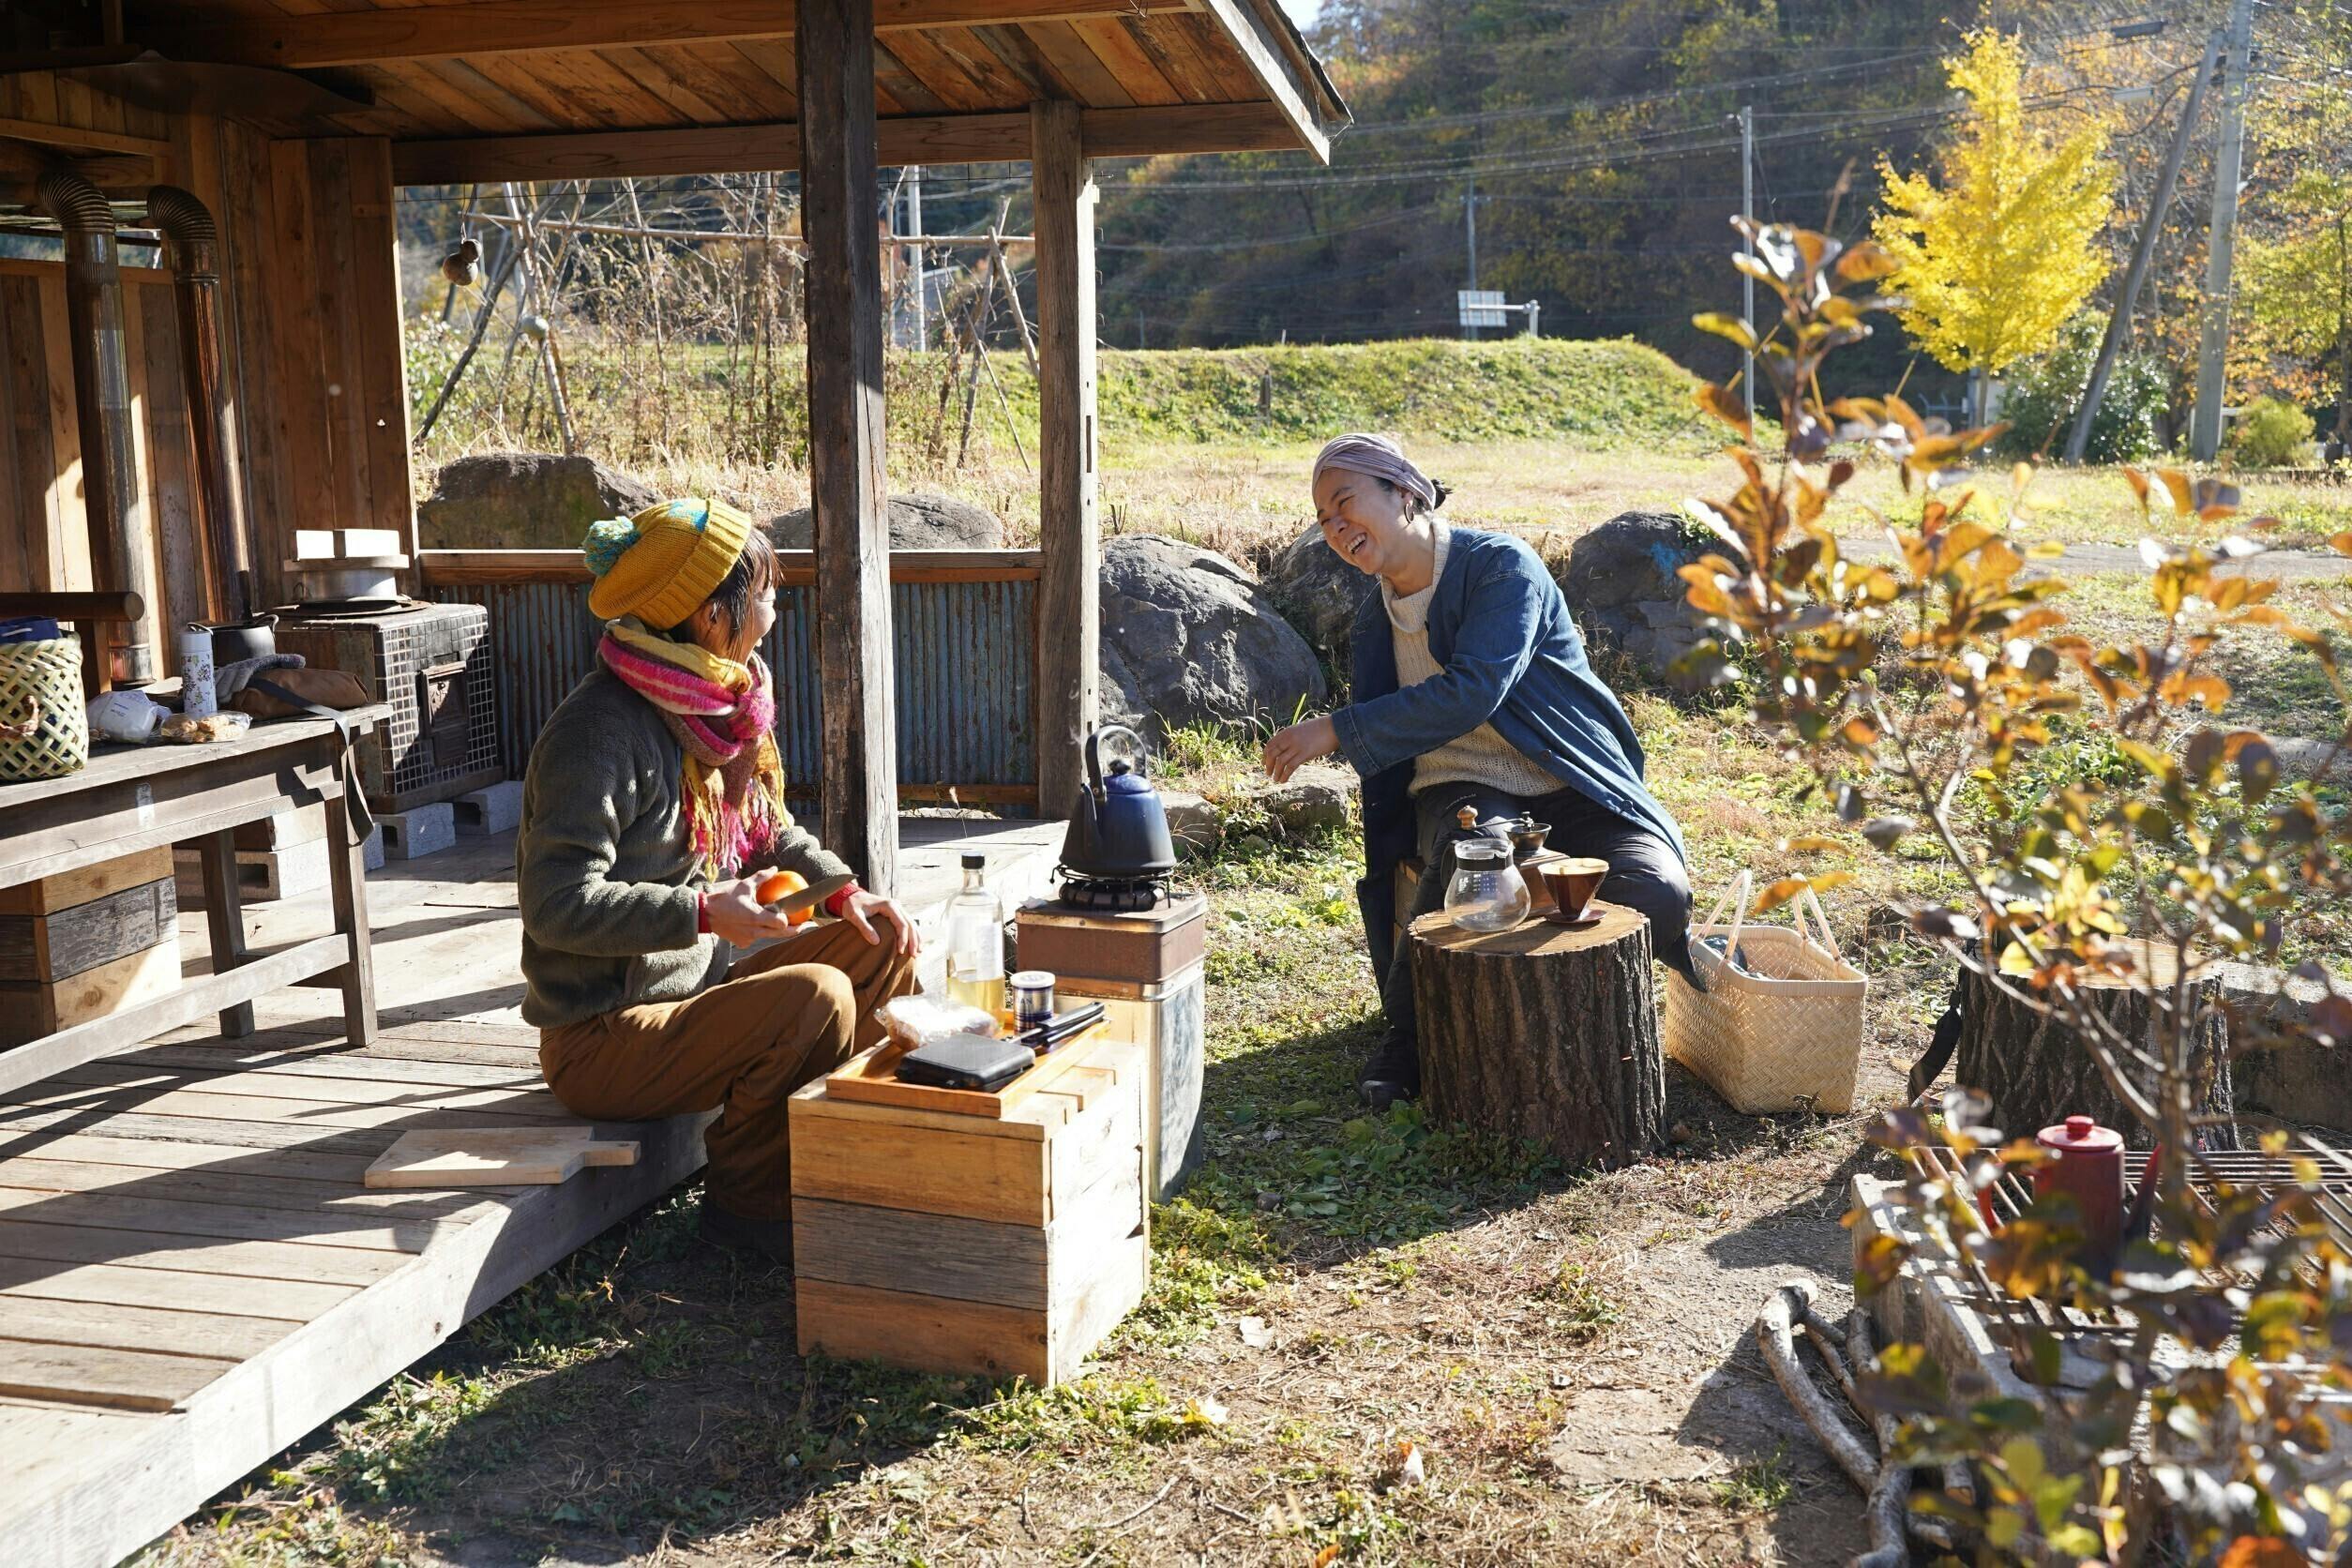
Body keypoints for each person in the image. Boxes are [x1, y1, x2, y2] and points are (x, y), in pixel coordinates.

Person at [517, 497, 921, 1262]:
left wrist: (845, 891)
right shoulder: (598, 733)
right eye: (765, 593)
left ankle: (845, 1154)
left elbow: (767, 828)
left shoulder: (712, 707)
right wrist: (703, 912)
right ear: (710, 616)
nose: (775, 610)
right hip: (603, 1035)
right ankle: (749, 1209)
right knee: (816, 998)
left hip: (692, 997)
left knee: (880, 941)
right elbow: (555, 906)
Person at [1261, 434, 1693, 1109]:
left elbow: (1473, 689)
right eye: (1324, 519)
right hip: (1462, 786)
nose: (1337, 526)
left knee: (1658, 891)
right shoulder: (1376, 616)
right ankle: (1407, 1039)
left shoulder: (1499, 567)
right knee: (1480, 860)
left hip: (1571, 777)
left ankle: (1563, 1006)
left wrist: (1334, 728)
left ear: (1403, 492)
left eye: (1346, 502)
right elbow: (1419, 729)